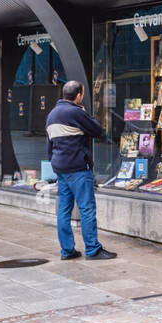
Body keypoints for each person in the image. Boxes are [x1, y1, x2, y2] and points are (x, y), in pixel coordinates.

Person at [46, 80, 116, 260]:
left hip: (60, 168)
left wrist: (55, 163)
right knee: (86, 209)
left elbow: (49, 145)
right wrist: (86, 113)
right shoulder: (75, 112)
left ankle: (67, 250)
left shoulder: (52, 114)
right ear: (78, 95)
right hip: (78, 168)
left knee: (63, 210)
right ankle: (93, 249)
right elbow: (97, 130)